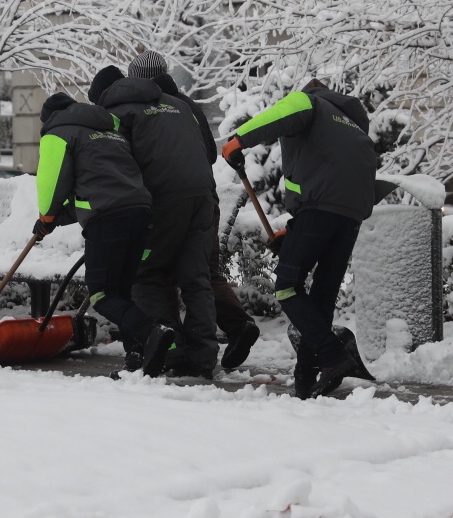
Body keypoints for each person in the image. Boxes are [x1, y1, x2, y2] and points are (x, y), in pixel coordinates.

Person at [221, 79, 379, 398]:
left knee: (288, 286)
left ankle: (333, 356)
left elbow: (276, 117)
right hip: (350, 214)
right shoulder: (353, 125)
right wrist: (293, 233)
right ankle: (307, 375)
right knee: (322, 293)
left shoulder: (311, 102)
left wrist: (238, 141)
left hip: (318, 208)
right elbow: (331, 176)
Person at [127, 50, 261, 370]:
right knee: (201, 273)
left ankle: (170, 342)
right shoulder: (187, 105)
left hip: (169, 202)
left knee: (158, 272)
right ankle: (231, 330)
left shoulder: (147, 106)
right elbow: (209, 155)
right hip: (205, 200)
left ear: (138, 79)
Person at [89, 65, 220, 376]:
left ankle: (168, 350)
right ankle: (202, 356)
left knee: (147, 275)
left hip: (164, 199)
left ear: (102, 97)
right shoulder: (176, 104)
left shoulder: (116, 112)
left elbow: (117, 162)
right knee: (195, 276)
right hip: (203, 195)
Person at [34, 91, 175, 376]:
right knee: (121, 292)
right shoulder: (111, 134)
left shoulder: (58, 133)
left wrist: (46, 217)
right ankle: (137, 359)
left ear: (49, 118)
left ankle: (152, 331)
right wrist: (55, 221)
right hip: (140, 213)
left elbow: (52, 183)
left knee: (101, 293)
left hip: (108, 220)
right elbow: (95, 189)